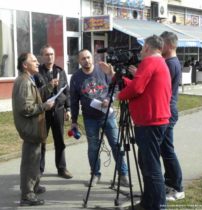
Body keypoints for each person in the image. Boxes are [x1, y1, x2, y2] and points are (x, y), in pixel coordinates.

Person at [116, 35, 172, 210]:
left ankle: (158, 206)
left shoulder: (149, 62)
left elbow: (137, 88)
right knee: (146, 163)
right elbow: (142, 86)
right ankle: (149, 202)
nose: (140, 51)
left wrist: (120, 95)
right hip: (156, 120)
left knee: (152, 167)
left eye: (141, 48)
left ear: (147, 47)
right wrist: (119, 78)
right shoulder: (160, 62)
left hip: (150, 122)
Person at [70, 49, 129, 187]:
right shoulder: (76, 78)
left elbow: (114, 87)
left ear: (92, 58)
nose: (86, 60)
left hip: (107, 115)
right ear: (79, 61)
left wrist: (109, 99)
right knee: (93, 147)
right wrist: (73, 121)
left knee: (116, 144)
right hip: (90, 118)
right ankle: (95, 174)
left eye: (88, 57)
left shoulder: (103, 70)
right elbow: (73, 101)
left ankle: (123, 174)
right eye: (83, 58)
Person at [12, 52, 55, 206]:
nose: (38, 63)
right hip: (30, 129)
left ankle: (34, 186)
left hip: (33, 128)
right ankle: (27, 195)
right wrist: (45, 106)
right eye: (34, 61)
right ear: (25, 65)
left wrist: (48, 89)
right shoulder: (23, 82)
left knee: (35, 160)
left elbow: (34, 98)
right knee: (30, 162)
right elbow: (25, 108)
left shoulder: (28, 79)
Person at [37, 45, 73, 179]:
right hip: (43, 112)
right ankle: (39, 170)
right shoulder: (37, 72)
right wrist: (49, 85)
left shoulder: (60, 71)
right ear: (42, 57)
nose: (49, 57)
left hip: (58, 110)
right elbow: (36, 92)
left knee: (60, 141)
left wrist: (68, 109)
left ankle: (62, 168)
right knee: (42, 141)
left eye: (51, 54)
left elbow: (67, 92)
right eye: (46, 55)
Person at [160, 31, 185, 201]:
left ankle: (177, 187)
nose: (159, 47)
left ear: (168, 45)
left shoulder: (170, 64)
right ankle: (169, 183)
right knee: (165, 149)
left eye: (161, 44)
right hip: (169, 109)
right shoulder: (170, 62)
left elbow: (162, 88)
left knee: (167, 150)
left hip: (168, 110)